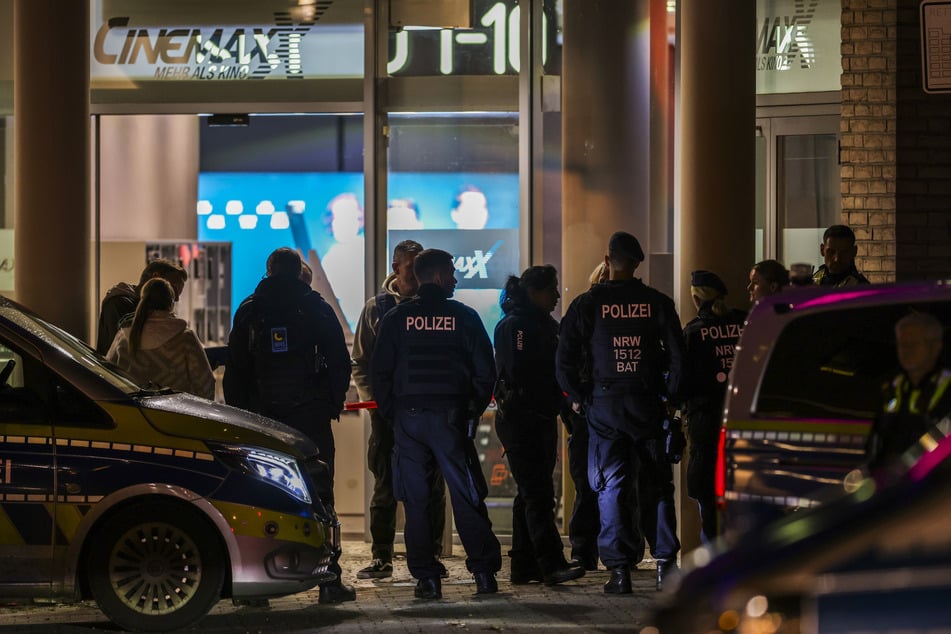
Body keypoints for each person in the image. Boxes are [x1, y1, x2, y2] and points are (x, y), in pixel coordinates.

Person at [223, 247, 355, 605]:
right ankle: (329, 580)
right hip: (309, 419)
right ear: (299, 272)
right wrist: (329, 403)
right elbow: (340, 362)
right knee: (320, 494)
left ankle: (256, 586)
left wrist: (241, 415)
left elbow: (236, 368)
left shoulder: (250, 309)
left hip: (262, 418)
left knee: (259, 497)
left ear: (268, 270)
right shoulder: (316, 307)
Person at [556, 231, 686, 593]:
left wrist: (578, 398)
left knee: (611, 486)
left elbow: (563, 359)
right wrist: (671, 398)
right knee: (657, 484)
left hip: (605, 406)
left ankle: (619, 572)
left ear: (607, 257)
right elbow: (678, 356)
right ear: (637, 262)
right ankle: (665, 564)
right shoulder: (657, 303)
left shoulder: (587, 304)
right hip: (646, 403)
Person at [371, 248, 501, 600]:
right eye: (452, 272)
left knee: (415, 501)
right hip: (450, 420)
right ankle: (484, 574)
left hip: (409, 421)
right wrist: (470, 411)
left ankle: (426, 579)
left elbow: (379, 372)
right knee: (467, 496)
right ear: (438, 276)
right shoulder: (464, 317)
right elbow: (486, 372)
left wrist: (393, 414)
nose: (456, 278)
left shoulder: (397, 319)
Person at [351, 240, 448, 580]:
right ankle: (382, 556)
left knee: (432, 484)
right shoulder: (377, 308)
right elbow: (361, 362)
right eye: (411, 268)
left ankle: (431, 555)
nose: (418, 275)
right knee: (385, 486)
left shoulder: (439, 307)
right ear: (396, 268)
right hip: (388, 416)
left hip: (427, 412)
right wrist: (377, 406)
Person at [494, 265, 586, 586]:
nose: (558, 295)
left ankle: (523, 564)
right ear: (534, 292)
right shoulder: (516, 326)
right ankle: (551, 563)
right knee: (538, 494)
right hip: (522, 420)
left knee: (530, 493)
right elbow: (522, 373)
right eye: (552, 289)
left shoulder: (546, 325)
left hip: (540, 418)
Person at [681, 270, 746, 544]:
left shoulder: (694, 332)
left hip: (706, 424)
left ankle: (715, 560)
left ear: (696, 298)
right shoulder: (745, 322)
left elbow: (681, 381)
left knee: (707, 497)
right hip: (743, 422)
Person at [562, 262, 609, 570]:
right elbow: (564, 362)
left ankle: (600, 550)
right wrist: (575, 400)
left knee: (607, 483)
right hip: (588, 408)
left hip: (596, 406)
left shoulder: (580, 310)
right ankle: (584, 549)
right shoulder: (582, 311)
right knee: (586, 484)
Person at [866, 312, 951, 475]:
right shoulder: (893, 387)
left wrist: (908, 463)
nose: (906, 350)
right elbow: (876, 442)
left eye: (913, 343)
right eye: (901, 343)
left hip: (934, 488)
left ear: (935, 346)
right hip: (892, 489)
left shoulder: (946, 387)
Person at [106, 277, 215, 400]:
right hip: (177, 413)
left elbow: (108, 376)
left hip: (134, 413)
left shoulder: (124, 336)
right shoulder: (185, 337)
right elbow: (205, 382)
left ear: (143, 300)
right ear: (171, 304)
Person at [97, 259, 188, 355]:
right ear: (155, 278)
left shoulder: (123, 302)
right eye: (173, 289)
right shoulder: (119, 304)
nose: (176, 299)